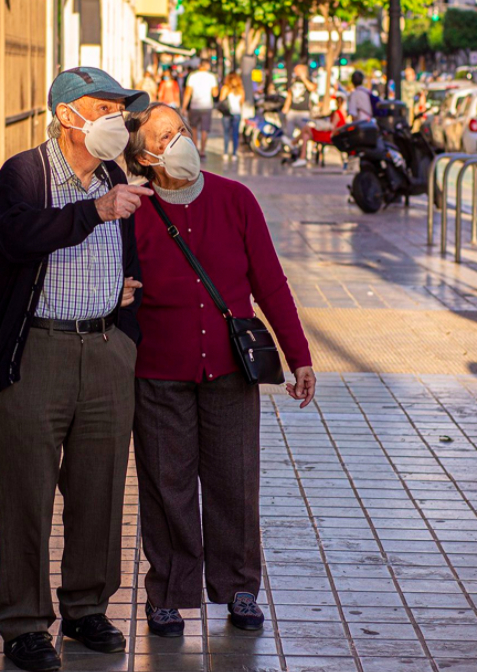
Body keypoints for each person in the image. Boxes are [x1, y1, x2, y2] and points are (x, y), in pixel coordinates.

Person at [0, 66, 153, 672]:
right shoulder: (24, 172)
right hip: (38, 351)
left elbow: (125, 248)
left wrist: (125, 294)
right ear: (68, 115)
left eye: (120, 110)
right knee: (26, 492)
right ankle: (25, 622)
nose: (116, 122)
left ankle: (85, 607)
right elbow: (22, 238)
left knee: (99, 487)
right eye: (105, 108)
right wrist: (94, 211)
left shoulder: (114, 173)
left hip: (104, 349)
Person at [123, 102, 316, 639]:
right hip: (157, 374)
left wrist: (299, 356)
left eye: (180, 129)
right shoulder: (133, 210)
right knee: (167, 485)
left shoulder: (237, 199)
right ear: (144, 156)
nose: (179, 140)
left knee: (235, 482)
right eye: (164, 137)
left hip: (232, 371)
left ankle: (238, 588)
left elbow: (271, 284)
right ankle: (168, 593)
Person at [281, 64, 318, 167]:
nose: (295, 73)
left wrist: (304, 79)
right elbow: (289, 95)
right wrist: (285, 109)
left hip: (303, 111)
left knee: (306, 131)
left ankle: (295, 145)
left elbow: (312, 88)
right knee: (294, 133)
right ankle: (298, 153)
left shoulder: (308, 80)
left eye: (297, 71)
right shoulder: (293, 81)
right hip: (293, 111)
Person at [182, 59, 219, 158]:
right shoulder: (212, 77)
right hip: (207, 106)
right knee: (204, 129)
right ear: (207, 66)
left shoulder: (192, 76)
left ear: (199, 66)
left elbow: (188, 93)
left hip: (194, 106)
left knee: (193, 128)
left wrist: (184, 107)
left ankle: (195, 149)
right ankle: (203, 151)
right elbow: (215, 93)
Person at [219, 71, 245, 161]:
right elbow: (242, 102)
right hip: (237, 113)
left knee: (226, 133)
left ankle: (226, 152)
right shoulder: (240, 89)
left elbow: (221, 99)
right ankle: (234, 153)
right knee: (235, 134)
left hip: (226, 113)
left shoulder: (225, 88)